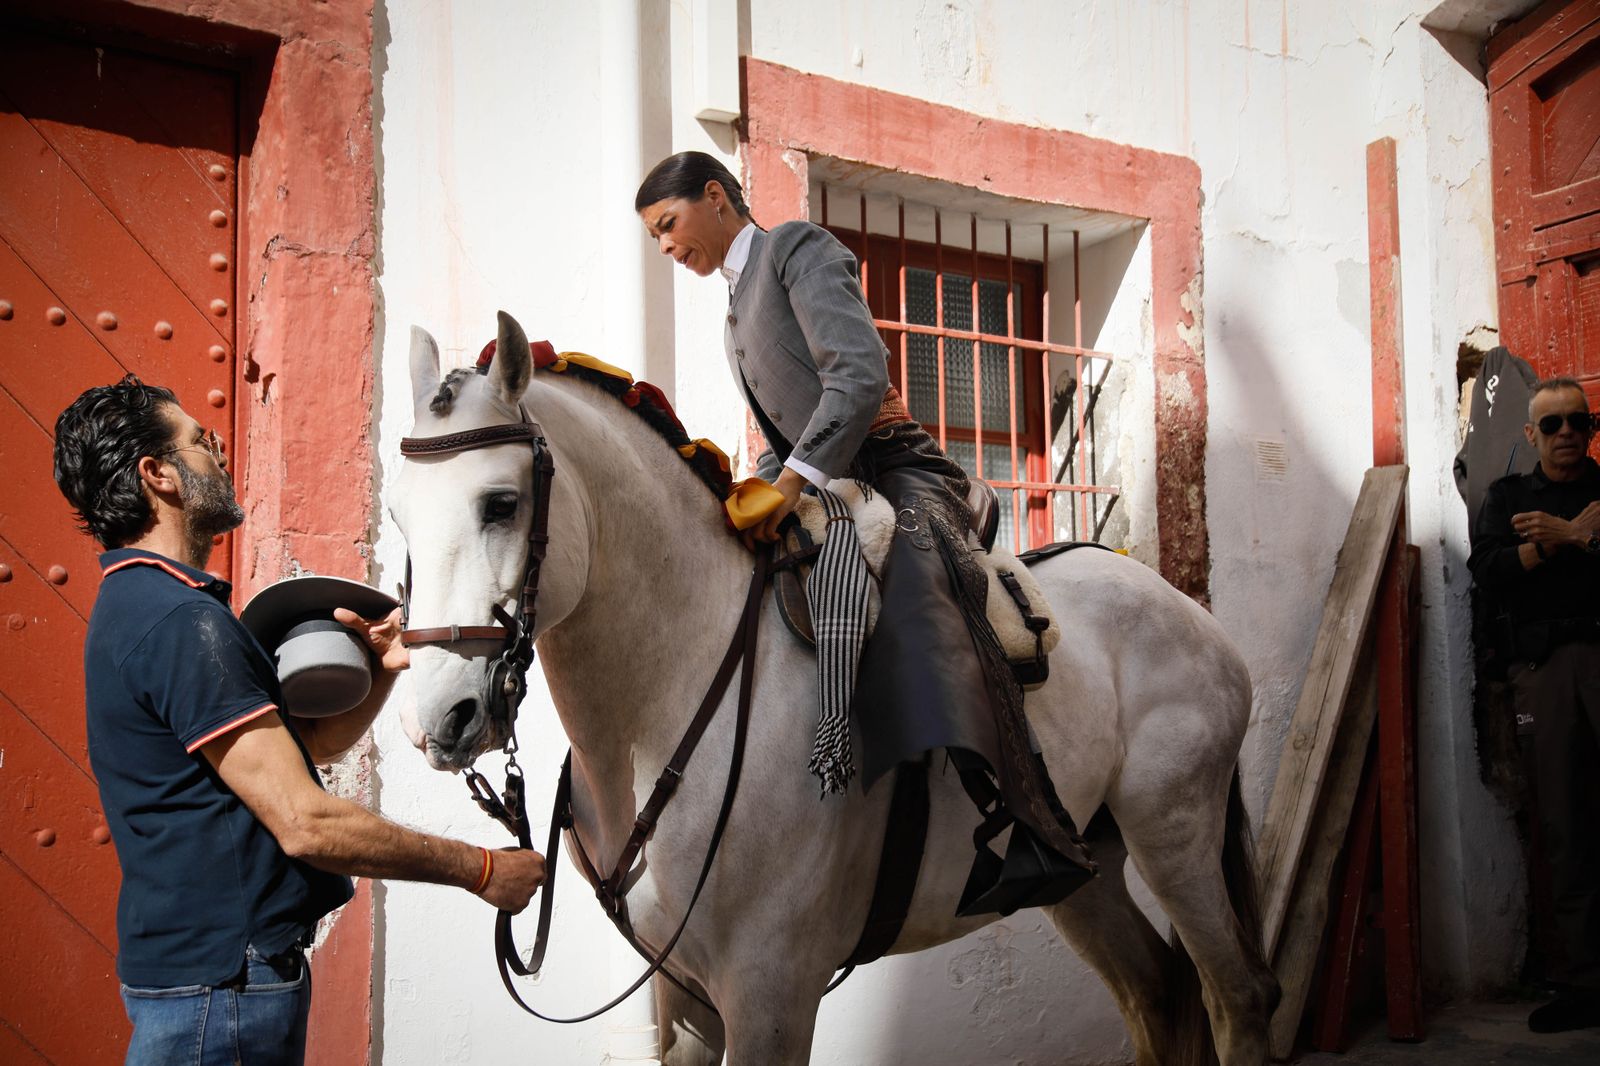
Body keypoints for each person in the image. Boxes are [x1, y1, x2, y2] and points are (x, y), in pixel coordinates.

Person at [634, 150, 1093, 914]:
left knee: (923, 589)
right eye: (654, 237)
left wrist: (788, 482)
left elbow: (857, 375)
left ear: (715, 197)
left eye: (668, 226)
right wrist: (756, 481)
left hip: (898, 465)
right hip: (825, 476)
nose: (666, 248)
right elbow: (785, 431)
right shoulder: (731, 311)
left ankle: (1029, 819)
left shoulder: (795, 248)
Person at [52, 375, 546, 1066]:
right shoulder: (180, 622)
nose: (218, 454)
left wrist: (381, 671)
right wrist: (481, 867)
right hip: (218, 1001)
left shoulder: (139, 603)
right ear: (156, 474)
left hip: (208, 986)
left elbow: (302, 749)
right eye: (201, 441)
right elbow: (304, 820)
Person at [1469, 376, 1600, 1033]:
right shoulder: (1509, 497)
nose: (1567, 434)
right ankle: (1581, 983)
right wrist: (1555, 540)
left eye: (1579, 422)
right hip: (1545, 673)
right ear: (1531, 435)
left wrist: (1575, 536)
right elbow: (1488, 571)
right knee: (1565, 823)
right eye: (1552, 425)